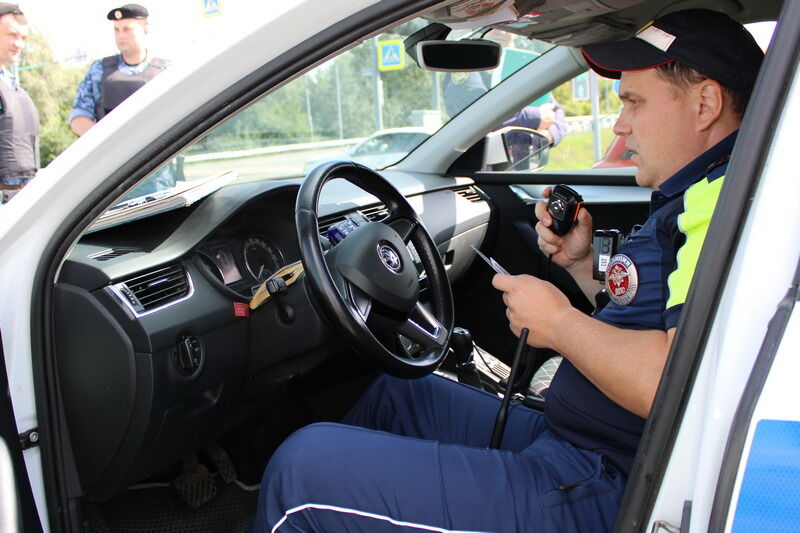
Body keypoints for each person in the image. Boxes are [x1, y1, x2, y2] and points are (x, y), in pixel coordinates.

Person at [251, 9, 763, 533]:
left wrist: (560, 324)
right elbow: (656, 319)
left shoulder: (723, 203)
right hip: (579, 439)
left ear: (705, 103)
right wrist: (582, 266)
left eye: (634, 101)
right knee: (399, 395)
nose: (620, 123)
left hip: (609, 486)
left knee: (302, 472)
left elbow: (682, 386)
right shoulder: (701, 190)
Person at [68, 4, 173, 196]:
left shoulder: (165, 71)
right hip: (112, 177)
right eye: (116, 30)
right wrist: (109, 144)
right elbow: (77, 119)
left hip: (156, 175)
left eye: (127, 29)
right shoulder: (99, 70)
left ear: (145, 30)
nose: (120, 35)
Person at [0, 3, 38, 204]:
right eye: (12, 35)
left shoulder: (13, 85)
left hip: (20, 199)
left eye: (23, 38)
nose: (19, 44)